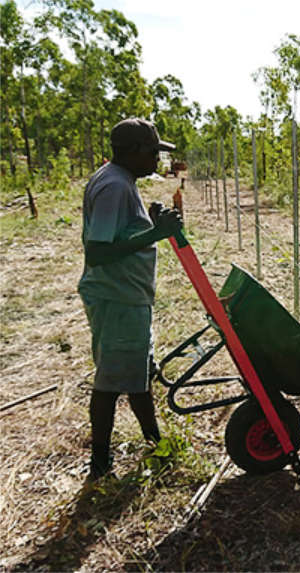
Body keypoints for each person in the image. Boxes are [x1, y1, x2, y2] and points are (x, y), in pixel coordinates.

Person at [78, 118, 183, 481]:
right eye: (153, 152)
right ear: (134, 151)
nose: (157, 159)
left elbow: (120, 232)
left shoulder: (118, 180)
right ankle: (101, 464)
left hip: (126, 296)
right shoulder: (114, 186)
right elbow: (98, 251)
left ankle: (155, 443)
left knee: (137, 372)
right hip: (117, 296)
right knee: (110, 381)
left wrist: (149, 222)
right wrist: (158, 232)